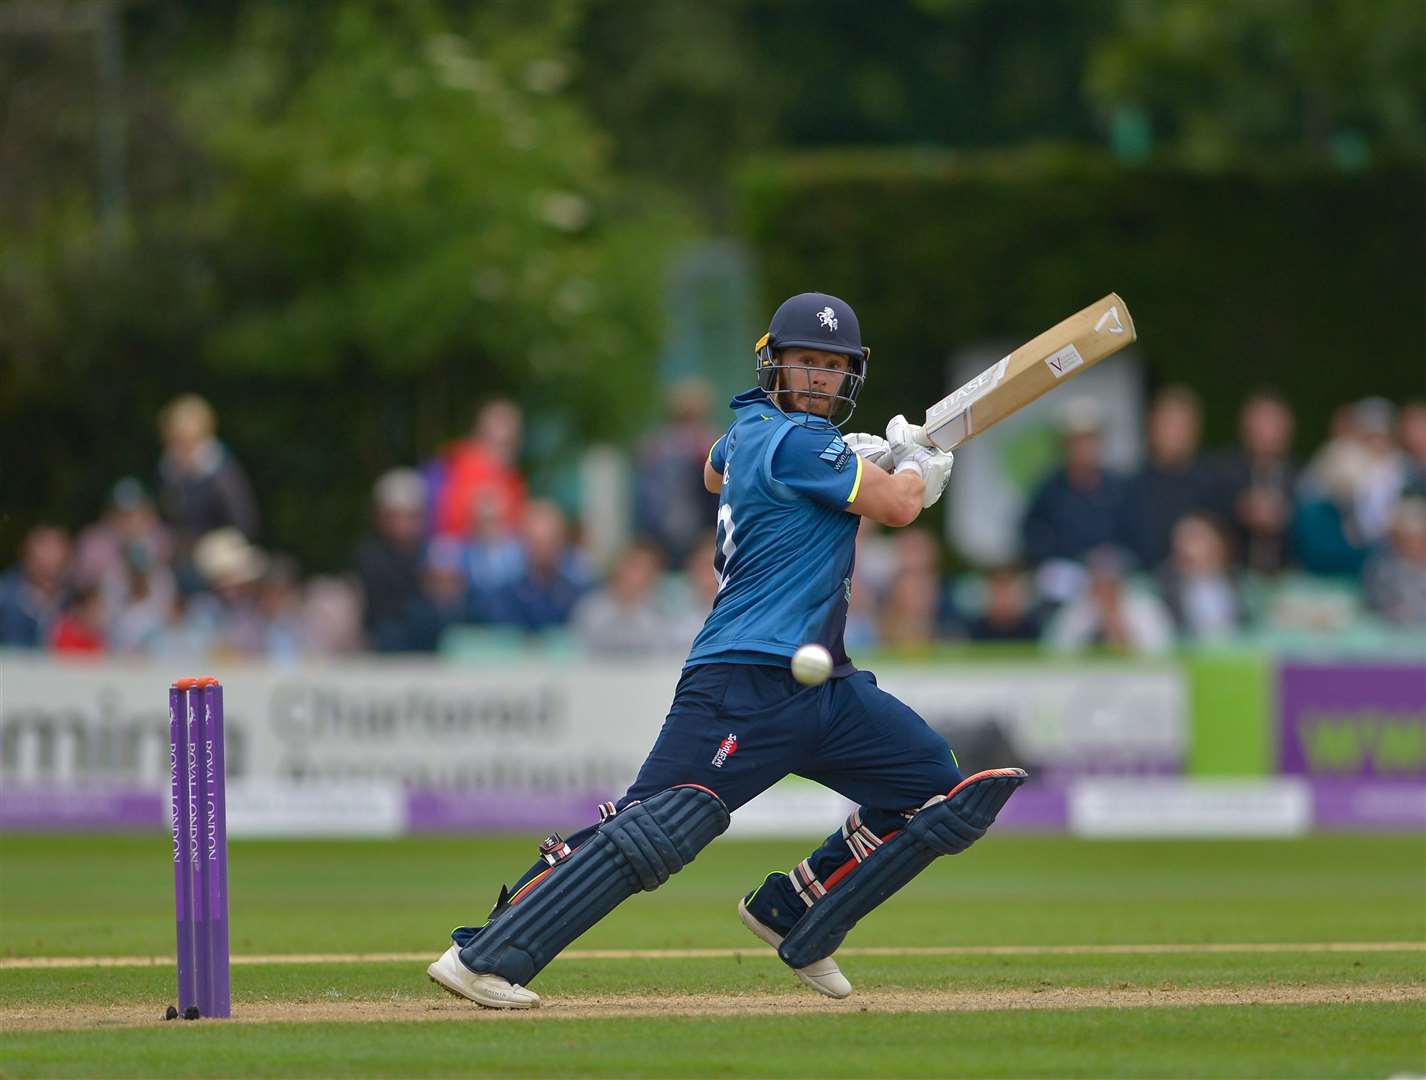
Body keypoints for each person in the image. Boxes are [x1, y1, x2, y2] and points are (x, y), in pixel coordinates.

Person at [427, 291, 1025, 1010]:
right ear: (775, 363)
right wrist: (919, 464)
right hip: (741, 676)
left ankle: (793, 909)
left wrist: (863, 455)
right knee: (655, 830)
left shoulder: (747, 433)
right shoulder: (797, 441)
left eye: (833, 368)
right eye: (805, 362)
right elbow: (898, 507)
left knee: (931, 786)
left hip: (823, 686)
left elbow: (717, 472)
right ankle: (484, 952)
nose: (818, 379)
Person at [156, 396, 261, 577]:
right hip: (183, 551)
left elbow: (244, 523)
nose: (178, 447)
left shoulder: (222, 472)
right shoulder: (169, 471)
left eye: (185, 440)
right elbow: (168, 515)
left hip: (220, 552)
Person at [1121, 387, 1221, 572]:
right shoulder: (1132, 487)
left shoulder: (1211, 483)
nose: (1174, 434)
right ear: (1152, 429)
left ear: (1194, 431)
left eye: (1181, 426)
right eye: (1167, 424)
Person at [1216, 392, 1298, 575]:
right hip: (1235, 574)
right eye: (1260, 424)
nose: (1266, 433)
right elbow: (1208, 519)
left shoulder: (1302, 477)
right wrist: (1240, 510)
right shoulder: (1224, 473)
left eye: (1273, 424)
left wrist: (1287, 514)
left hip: (1288, 577)